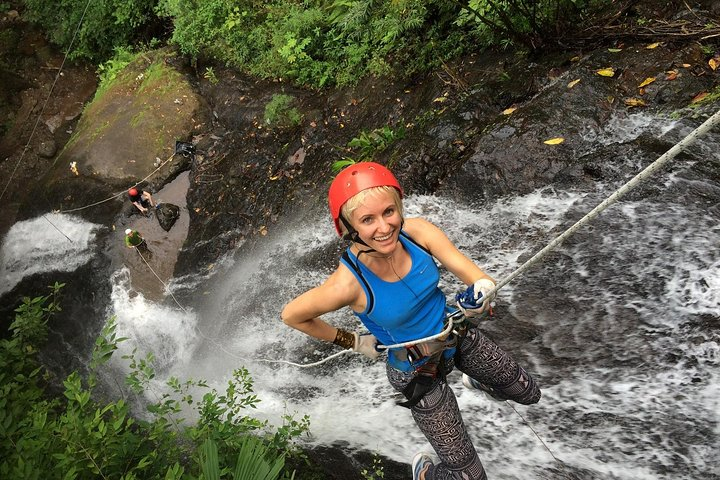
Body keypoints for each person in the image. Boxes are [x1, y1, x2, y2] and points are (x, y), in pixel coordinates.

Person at [281, 162, 541, 480]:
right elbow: (293, 315)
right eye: (367, 220)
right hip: (416, 371)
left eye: (389, 212)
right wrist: (353, 341)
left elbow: (471, 272)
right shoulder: (347, 283)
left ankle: (480, 379)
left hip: (454, 334)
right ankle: (426, 473)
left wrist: (482, 291)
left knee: (529, 393)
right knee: (470, 478)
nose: (384, 227)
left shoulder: (417, 233)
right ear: (349, 228)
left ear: (400, 207)